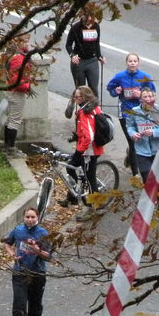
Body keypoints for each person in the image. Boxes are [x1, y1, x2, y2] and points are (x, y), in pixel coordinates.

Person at [3, 207, 52, 316]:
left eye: (32, 217)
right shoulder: (18, 231)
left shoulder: (43, 234)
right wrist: (12, 253)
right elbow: (7, 242)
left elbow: (48, 256)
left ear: (37, 218)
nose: (30, 220)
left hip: (37, 274)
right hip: (19, 272)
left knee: (35, 306)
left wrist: (36, 250)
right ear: (23, 218)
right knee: (19, 306)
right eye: (27, 217)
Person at [58, 86, 105, 221]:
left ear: (84, 98)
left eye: (77, 97)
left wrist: (80, 151)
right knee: (70, 167)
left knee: (90, 179)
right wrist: (77, 137)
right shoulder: (90, 107)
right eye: (74, 96)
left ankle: (93, 207)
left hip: (89, 151)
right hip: (87, 148)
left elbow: (89, 136)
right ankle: (72, 196)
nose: (75, 99)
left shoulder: (86, 112)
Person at [106, 53, 156, 177]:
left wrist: (140, 94)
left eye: (135, 61)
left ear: (138, 63)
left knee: (142, 139)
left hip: (141, 113)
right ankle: (135, 174)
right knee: (133, 140)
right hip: (126, 112)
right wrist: (115, 91)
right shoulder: (120, 76)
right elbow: (110, 88)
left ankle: (132, 157)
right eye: (130, 61)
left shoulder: (144, 77)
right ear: (126, 63)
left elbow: (153, 93)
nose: (132, 63)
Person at [125, 87, 159, 183]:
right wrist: (133, 134)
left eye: (150, 96)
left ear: (154, 98)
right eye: (145, 97)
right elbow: (130, 126)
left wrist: (154, 132)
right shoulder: (134, 111)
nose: (148, 99)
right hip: (142, 150)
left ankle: (158, 197)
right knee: (146, 176)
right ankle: (149, 196)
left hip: (157, 150)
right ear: (140, 99)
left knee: (157, 179)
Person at [3, 34, 33, 158]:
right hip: (16, 92)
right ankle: (11, 149)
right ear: (18, 43)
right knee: (15, 120)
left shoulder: (15, 56)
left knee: (10, 119)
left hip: (11, 91)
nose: (27, 44)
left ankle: (7, 146)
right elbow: (16, 78)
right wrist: (27, 87)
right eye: (25, 41)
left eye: (28, 41)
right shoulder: (18, 58)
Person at [65, 9, 106, 97]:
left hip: (92, 61)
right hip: (79, 62)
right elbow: (68, 45)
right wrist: (72, 56)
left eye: (91, 17)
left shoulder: (96, 26)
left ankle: (95, 109)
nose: (89, 20)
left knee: (94, 88)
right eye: (86, 17)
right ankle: (81, 108)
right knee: (81, 90)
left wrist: (99, 56)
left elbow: (96, 43)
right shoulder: (76, 27)